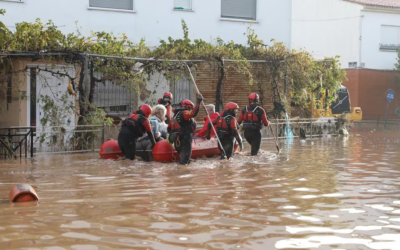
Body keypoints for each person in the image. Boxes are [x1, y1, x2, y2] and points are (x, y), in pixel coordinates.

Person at [168, 94, 203, 165]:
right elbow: (193, 113)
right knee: (184, 163)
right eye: (190, 108)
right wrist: (198, 102)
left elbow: (169, 129)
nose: (190, 110)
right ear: (187, 107)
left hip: (177, 143)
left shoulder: (174, 116)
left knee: (184, 161)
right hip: (184, 141)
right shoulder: (184, 113)